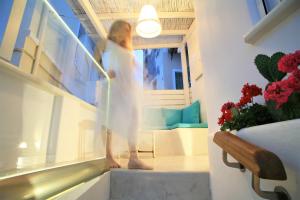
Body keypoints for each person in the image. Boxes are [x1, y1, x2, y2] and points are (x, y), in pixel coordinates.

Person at [100, 20, 152, 170]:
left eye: (128, 32)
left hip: (129, 89)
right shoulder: (107, 45)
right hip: (113, 87)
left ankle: (134, 158)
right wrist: (106, 72)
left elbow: (131, 67)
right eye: (125, 30)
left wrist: (142, 70)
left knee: (134, 120)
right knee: (109, 120)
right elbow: (98, 64)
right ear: (117, 30)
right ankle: (108, 156)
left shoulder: (127, 49)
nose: (128, 34)